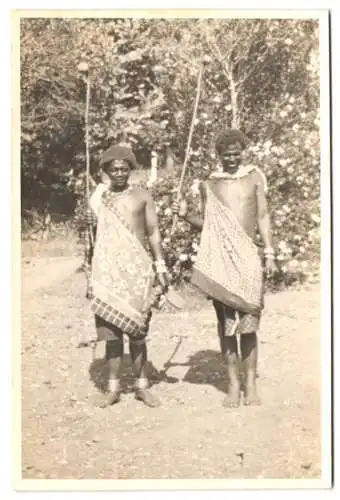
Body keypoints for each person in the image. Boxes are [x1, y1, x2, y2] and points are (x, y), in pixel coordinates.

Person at [173, 129, 276, 408]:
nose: (232, 158)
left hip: (249, 257)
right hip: (221, 260)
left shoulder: (255, 177)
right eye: (226, 154)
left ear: (242, 152)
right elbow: (209, 225)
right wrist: (185, 216)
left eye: (236, 153)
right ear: (218, 156)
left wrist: (269, 251)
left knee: (250, 324)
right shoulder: (210, 183)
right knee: (228, 327)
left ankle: (251, 384)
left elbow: (263, 216)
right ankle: (233, 384)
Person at [85, 145, 168, 408]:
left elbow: (153, 232)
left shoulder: (142, 196)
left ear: (130, 170)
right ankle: (113, 389)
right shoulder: (99, 199)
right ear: (106, 172)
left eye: (123, 168)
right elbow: (91, 239)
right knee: (111, 335)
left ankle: (142, 387)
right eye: (113, 169)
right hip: (108, 272)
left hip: (138, 270)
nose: (119, 173)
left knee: (138, 332)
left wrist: (161, 266)